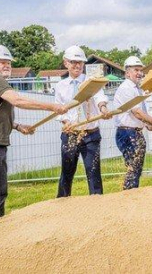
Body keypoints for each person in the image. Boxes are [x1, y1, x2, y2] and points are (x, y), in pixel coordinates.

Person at [0, 45, 67, 224]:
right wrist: (52, 106)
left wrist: (18, 126)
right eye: (2, 62)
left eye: (9, 63)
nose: (7, 66)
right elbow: (17, 100)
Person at [55, 45, 112, 197]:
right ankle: (61, 204)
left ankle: (96, 203)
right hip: (70, 135)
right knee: (66, 173)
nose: (77, 65)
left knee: (93, 172)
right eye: (73, 62)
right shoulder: (60, 86)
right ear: (66, 63)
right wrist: (65, 122)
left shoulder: (92, 82)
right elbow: (60, 110)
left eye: (80, 62)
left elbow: (100, 97)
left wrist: (103, 108)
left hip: (90, 135)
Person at [114, 56, 152, 190]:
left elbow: (140, 115)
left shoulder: (137, 88)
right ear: (127, 72)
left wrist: (148, 125)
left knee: (135, 167)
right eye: (136, 70)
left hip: (134, 131)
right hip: (127, 132)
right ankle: (129, 195)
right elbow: (138, 113)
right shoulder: (127, 88)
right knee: (134, 167)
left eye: (141, 70)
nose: (140, 73)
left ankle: (131, 193)